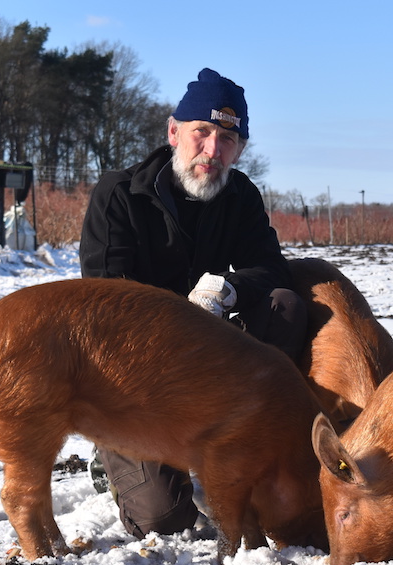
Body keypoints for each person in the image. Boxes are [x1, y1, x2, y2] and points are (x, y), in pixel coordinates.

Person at [78, 67, 308, 540]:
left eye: (227, 139)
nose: (211, 150)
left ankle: (250, 442)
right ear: (173, 132)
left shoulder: (240, 196)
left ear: (240, 148)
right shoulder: (119, 196)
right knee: (165, 519)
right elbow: (103, 304)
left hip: (210, 369)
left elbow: (270, 269)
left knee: (285, 305)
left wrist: (227, 289)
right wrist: (182, 319)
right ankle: (111, 458)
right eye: (201, 133)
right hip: (133, 381)